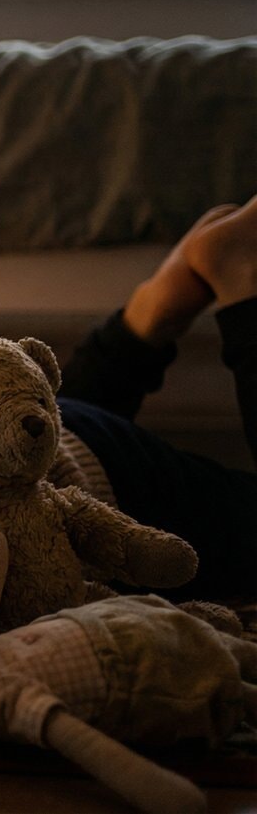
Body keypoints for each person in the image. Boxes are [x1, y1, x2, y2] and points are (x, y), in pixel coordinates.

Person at [55, 195, 257, 601]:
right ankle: (143, 320)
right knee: (54, 432)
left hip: (83, 495)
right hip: (57, 436)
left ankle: (241, 276)